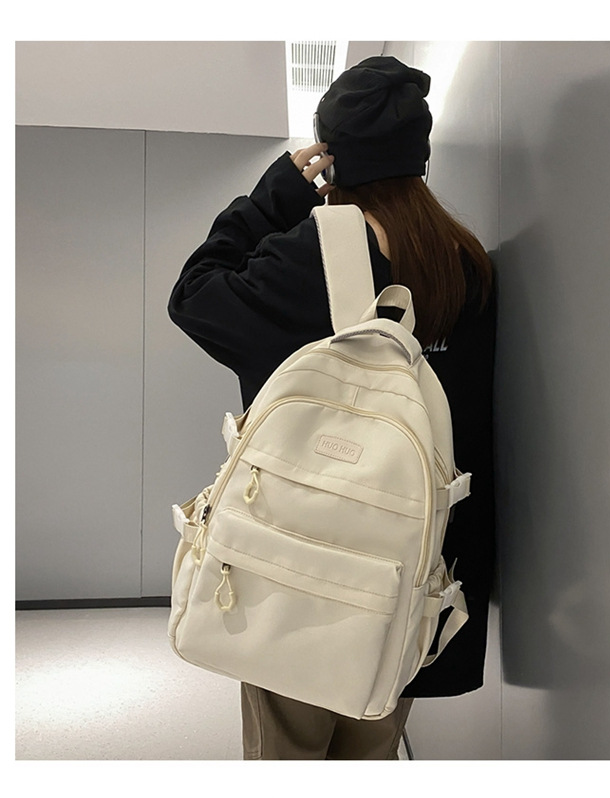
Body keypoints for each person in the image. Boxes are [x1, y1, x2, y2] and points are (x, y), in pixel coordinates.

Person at [168, 56, 496, 760]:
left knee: (289, 760)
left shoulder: (308, 256)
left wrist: (275, 197)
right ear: (420, 156)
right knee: (371, 751)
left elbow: (195, 295)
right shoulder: (465, 264)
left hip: (301, 558)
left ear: (332, 155)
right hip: (412, 570)